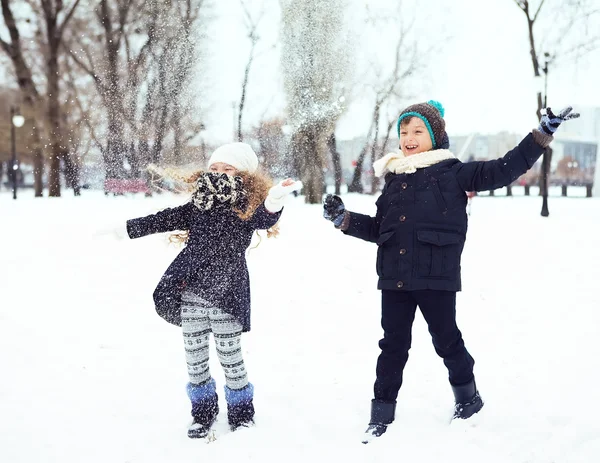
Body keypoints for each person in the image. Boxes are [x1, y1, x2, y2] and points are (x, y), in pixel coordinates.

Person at [323, 101, 579, 442]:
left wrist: (541, 134)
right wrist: (345, 219)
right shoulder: (395, 179)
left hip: (435, 277)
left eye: (417, 131)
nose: (409, 138)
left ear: (435, 135)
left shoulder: (454, 173)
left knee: (446, 341)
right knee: (392, 346)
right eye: (403, 132)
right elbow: (381, 229)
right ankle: (381, 413)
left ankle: (468, 399)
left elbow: (505, 169)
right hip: (395, 277)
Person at [126, 142, 301, 438]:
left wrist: (274, 200)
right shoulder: (198, 206)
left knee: (231, 359)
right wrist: (126, 229)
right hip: (191, 294)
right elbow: (163, 219)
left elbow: (264, 218)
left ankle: (242, 415)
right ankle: (202, 414)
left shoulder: (245, 206)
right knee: (195, 360)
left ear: (244, 174)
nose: (219, 173)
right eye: (215, 167)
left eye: (228, 168)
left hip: (227, 295)